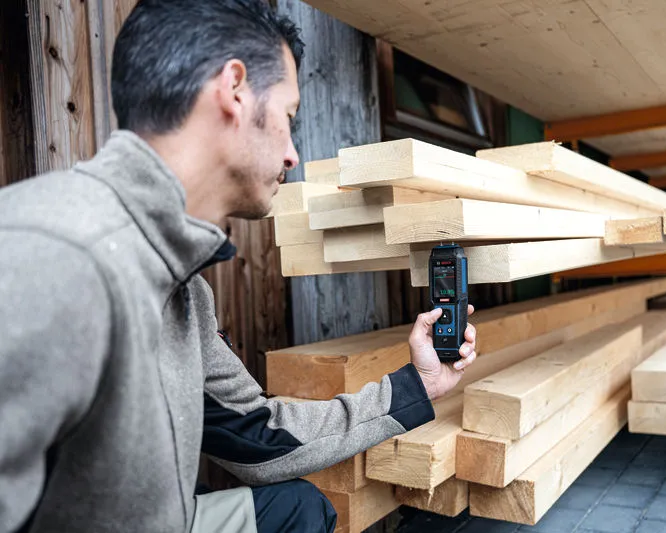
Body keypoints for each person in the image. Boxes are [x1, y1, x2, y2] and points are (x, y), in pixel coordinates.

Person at [0, 1, 478, 532]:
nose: (294, 154)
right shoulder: (48, 255)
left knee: (296, 509)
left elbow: (258, 439)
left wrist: (419, 386)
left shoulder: (184, 291)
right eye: (289, 117)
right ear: (234, 89)